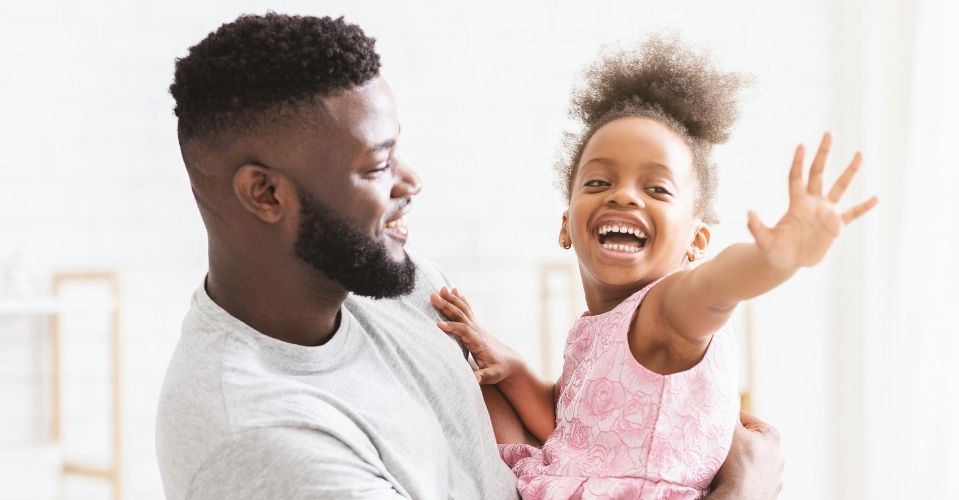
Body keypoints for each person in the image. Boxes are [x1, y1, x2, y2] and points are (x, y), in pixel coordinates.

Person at [155, 14, 784, 500]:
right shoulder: (264, 442)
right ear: (265, 193)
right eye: (377, 165)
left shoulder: (407, 289)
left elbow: (564, 434)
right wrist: (742, 492)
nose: (411, 181)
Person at [431, 34, 875, 499]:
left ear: (696, 241)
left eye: (658, 189)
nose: (624, 195)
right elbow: (567, 428)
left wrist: (772, 261)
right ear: (566, 226)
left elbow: (716, 287)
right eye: (599, 181)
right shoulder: (595, 329)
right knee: (482, 389)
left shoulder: (669, 309)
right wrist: (514, 369)